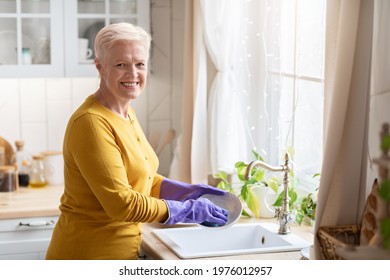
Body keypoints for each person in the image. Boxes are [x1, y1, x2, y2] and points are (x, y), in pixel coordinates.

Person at [45, 22, 228, 260]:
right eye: (121, 65)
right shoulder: (91, 122)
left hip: (122, 253)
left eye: (139, 64)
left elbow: (142, 179)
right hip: (88, 255)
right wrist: (184, 210)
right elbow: (122, 203)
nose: (133, 74)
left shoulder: (125, 112)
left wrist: (185, 191)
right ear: (99, 67)